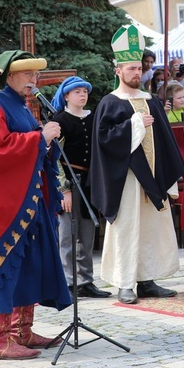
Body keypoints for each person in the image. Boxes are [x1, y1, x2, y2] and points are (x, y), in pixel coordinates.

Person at [0, 50, 71, 360]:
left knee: (28, 263)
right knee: (1, 264)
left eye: (36, 75)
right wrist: (39, 139)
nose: (34, 81)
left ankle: (22, 331)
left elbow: (31, 143)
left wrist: (44, 140)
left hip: (28, 200)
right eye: (27, 75)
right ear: (8, 75)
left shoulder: (22, 105)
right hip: (3, 200)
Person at [90, 25, 184, 305]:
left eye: (138, 67)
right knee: (128, 230)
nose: (135, 72)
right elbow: (104, 141)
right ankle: (124, 283)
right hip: (127, 179)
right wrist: (133, 125)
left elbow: (166, 139)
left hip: (153, 178)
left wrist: (169, 176)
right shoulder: (110, 103)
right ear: (118, 70)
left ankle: (147, 280)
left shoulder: (151, 101)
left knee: (151, 230)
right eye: (129, 68)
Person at [51, 76, 111, 299]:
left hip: (89, 182)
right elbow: (55, 157)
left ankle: (86, 281)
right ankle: (68, 282)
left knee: (87, 234)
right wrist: (64, 189)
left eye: (85, 91)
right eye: (77, 92)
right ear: (66, 96)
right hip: (69, 181)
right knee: (67, 235)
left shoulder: (93, 118)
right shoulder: (60, 121)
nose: (82, 95)